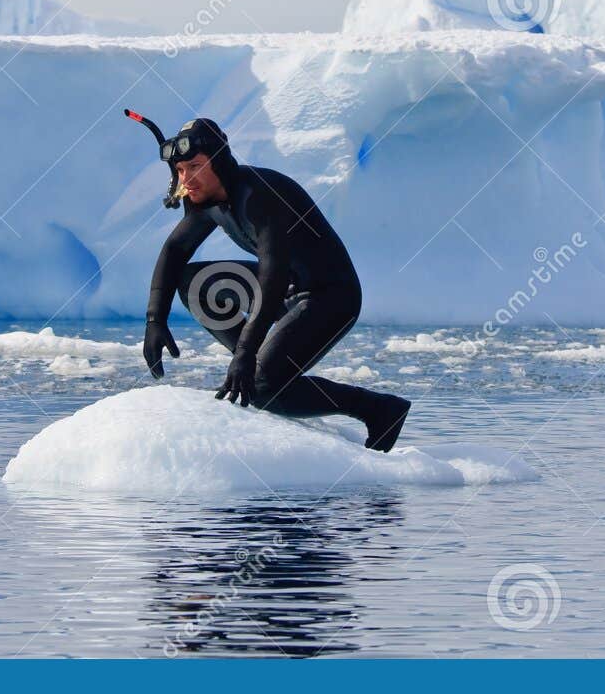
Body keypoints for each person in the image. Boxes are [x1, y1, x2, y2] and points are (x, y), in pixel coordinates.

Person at [141, 118, 411, 452]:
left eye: (195, 166)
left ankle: (377, 408)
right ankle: (257, 369)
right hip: (285, 291)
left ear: (219, 161)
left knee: (263, 388)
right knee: (195, 282)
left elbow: (274, 273)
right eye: (180, 170)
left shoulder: (258, 195)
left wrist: (245, 352)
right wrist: (155, 319)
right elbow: (175, 249)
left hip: (329, 297)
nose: (187, 179)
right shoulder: (205, 201)